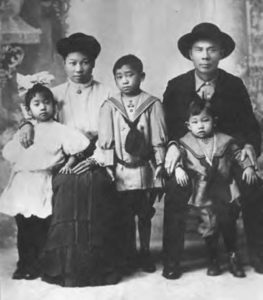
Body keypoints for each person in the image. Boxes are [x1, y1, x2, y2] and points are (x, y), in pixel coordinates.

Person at [19, 33, 122, 287]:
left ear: (94, 64)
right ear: (64, 64)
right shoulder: (53, 94)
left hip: (97, 156)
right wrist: (25, 125)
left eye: (85, 62)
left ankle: (96, 267)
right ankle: (61, 265)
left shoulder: (107, 92)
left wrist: (97, 158)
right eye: (72, 62)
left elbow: (116, 132)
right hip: (60, 158)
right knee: (63, 185)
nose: (78, 68)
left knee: (94, 186)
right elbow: (37, 115)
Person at [162, 22, 263, 279]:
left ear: (221, 53)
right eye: (199, 49)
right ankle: (171, 260)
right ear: (190, 54)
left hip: (227, 158)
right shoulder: (176, 86)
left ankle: (257, 254)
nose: (205, 56)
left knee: (253, 185)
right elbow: (167, 128)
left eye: (212, 49)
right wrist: (173, 147)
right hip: (191, 160)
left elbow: (249, 126)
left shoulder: (233, 85)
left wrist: (249, 149)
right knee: (176, 187)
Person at [0, 83, 89, 280]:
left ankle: (39, 264)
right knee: (23, 227)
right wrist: (24, 132)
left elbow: (78, 148)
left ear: (54, 106)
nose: (42, 108)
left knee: (41, 226)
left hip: (42, 181)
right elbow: (11, 153)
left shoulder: (59, 130)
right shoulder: (27, 130)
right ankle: (24, 264)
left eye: (46, 103)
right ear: (29, 109)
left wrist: (70, 162)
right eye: (37, 104)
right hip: (23, 183)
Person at [174, 95, 258, 277]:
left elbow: (238, 154)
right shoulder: (185, 144)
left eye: (205, 120)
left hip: (225, 189)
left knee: (228, 223)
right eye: (195, 122)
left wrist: (249, 166)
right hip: (203, 192)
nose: (201, 125)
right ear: (188, 125)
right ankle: (213, 259)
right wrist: (178, 169)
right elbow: (177, 157)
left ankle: (233, 257)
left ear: (214, 121)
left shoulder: (225, 141)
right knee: (209, 225)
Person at [99, 54, 167, 274]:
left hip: (145, 170)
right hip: (120, 170)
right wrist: (109, 167)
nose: (125, 81)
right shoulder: (110, 106)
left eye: (130, 75)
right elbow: (106, 141)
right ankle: (127, 254)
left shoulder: (152, 104)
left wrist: (161, 166)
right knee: (123, 215)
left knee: (145, 214)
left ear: (142, 76)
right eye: (119, 77)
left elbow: (159, 138)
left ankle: (145, 252)